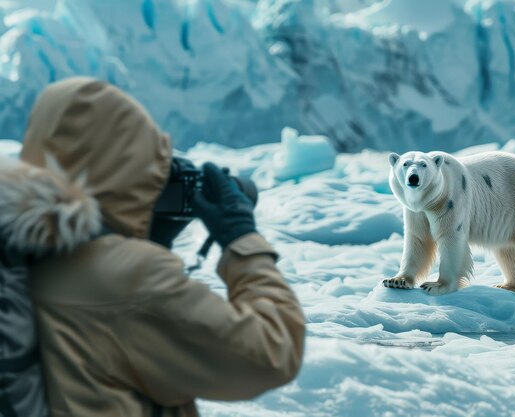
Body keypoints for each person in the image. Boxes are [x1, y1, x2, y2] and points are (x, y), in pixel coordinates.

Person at [12, 77, 306, 416]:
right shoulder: (128, 280)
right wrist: (242, 241)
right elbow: (271, 353)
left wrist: (143, 240)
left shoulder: (16, 252)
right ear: (128, 169)